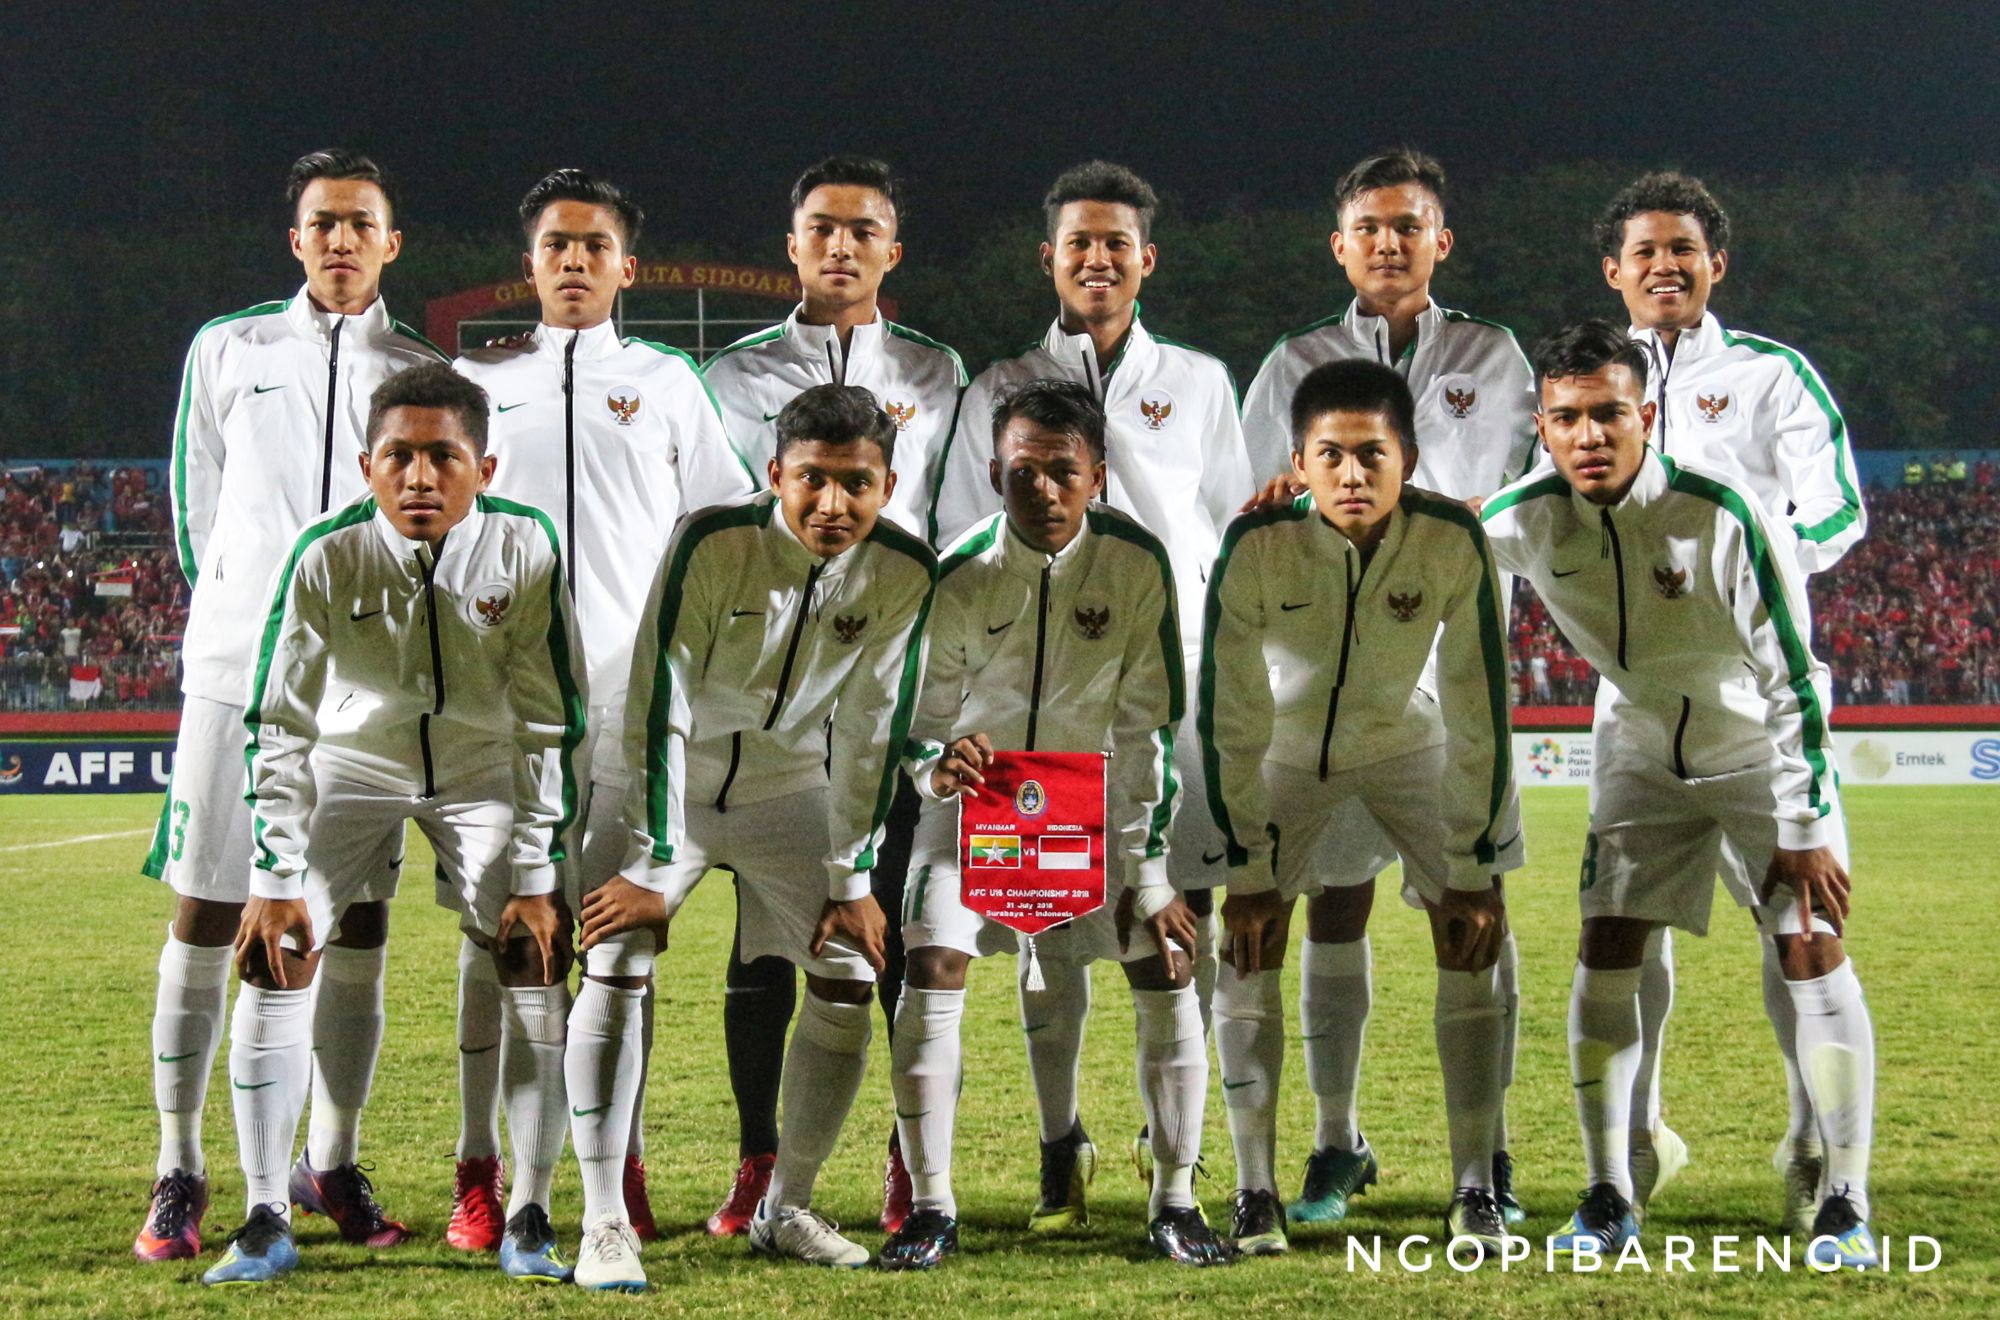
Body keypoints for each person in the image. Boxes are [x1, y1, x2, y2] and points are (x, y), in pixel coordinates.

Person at [1481, 320, 1878, 1269]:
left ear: (1646, 416)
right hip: (1638, 745)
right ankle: (1611, 1187)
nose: (1589, 436)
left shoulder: (1724, 511)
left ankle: (1844, 1200)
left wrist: (1806, 822)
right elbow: (1428, 531)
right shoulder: (1527, 513)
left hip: (1753, 742)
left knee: (1810, 945)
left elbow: (1795, 678)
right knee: (1606, 939)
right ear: (1542, 424)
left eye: (1609, 414)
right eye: (1568, 418)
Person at [201, 365, 585, 1285]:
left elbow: (549, 720)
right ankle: (262, 1214)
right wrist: (275, 875)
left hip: (481, 765)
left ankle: (528, 1211)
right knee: (278, 949)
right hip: (357, 762)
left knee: (533, 953)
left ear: (483, 466)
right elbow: (282, 723)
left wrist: (536, 873)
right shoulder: (325, 553)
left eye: (442, 457)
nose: (420, 477)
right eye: (400, 458)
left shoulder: (526, 547)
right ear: (367, 465)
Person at [929, 162, 1253, 1223]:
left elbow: (1225, 534)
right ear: (1049, 258)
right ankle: (1058, 1143)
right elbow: (956, 543)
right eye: (1079, 242)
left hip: (1165, 682)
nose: (1098, 259)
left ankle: (1178, 1168)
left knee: (1166, 916)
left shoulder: (1200, 380)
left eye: (1117, 242)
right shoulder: (1000, 382)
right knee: (1040, 931)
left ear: (1145, 258)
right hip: (1029, 692)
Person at [137, 149, 442, 1262]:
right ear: (296, 239)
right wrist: (245, 625)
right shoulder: (228, 348)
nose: (343, 240)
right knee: (212, 910)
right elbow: (195, 515)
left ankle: (332, 1156)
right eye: (324, 223)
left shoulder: (416, 368)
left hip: (373, 688)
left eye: (363, 222)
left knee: (354, 921)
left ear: (391, 241)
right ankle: (180, 1167)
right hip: (237, 675)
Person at [447, 167, 755, 1250]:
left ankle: (611, 1164)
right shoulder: (470, 384)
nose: (573, 262)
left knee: (620, 935)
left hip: (630, 705)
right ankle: (479, 1169)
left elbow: (724, 538)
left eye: (594, 246)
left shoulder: (670, 384)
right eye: (554, 246)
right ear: (528, 264)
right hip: (498, 706)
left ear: (627, 266)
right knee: (499, 939)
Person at [576, 384, 937, 1278]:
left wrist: (852, 880)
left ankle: (789, 1206)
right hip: (668, 779)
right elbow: (660, 698)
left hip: (787, 786)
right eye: (811, 478)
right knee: (617, 955)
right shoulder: (713, 539)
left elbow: (870, 725)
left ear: (887, 485)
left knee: (850, 968)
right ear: (775, 473)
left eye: (856, 483)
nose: (832, 503)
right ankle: (601, 1220)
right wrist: (657, 860)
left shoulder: (904, 568)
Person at [886, 380, 1229, 1269]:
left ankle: (1177, 1202)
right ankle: (931, 1209)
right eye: (1021, 472)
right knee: (932, 960)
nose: (1041, 490)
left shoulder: (1137, 563)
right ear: (994, 472)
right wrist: (936, 763)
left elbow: (1145, 726)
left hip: (1095, 800)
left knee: (1167, 960)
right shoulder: (958, 572)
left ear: (1098, 476)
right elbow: (918, 720)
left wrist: (1148, 873)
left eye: (1062, 472)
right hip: (983, 802)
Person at [1595, 171, 1867, 1230]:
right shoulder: (1590, 386)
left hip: (1757, 697)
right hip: (1636, 704)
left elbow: (1836, 503)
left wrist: (1758, 575)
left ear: (1715, 265)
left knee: (1792, 927)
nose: (1664, 266)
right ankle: (1636, 1136)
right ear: (1612, 272)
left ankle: (1812, 1138)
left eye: (1683, 250)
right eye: (1644, 252)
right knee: (1625, 931)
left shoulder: (1769, 375)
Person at [698, 155, 965, 1235]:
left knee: (891, 916)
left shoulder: (939, 372)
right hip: (772, 689)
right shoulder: (729, 378)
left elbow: (948, 528)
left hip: (891, 674)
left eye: (863, 230)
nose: (841, 245)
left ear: (890, 251)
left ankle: (908, 1160)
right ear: (792, 243)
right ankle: (760, 1162)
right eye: (822, 227)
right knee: (764, 938)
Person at [1205, 361, 1522, 1257]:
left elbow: (1477, 708)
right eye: (1330, 455)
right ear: (1297, 462)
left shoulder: (1453, 539)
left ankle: (1475, 1184)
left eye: (1371, 455)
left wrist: (1471, 867)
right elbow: (1232, 713)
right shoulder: (1257, 541)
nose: (1352, 475)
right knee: (1249, 944)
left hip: (1406, 744)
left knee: (1476, 940)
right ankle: (1254, 1190)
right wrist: (1249, 873)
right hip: (1289, 750)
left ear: (1408, 458)